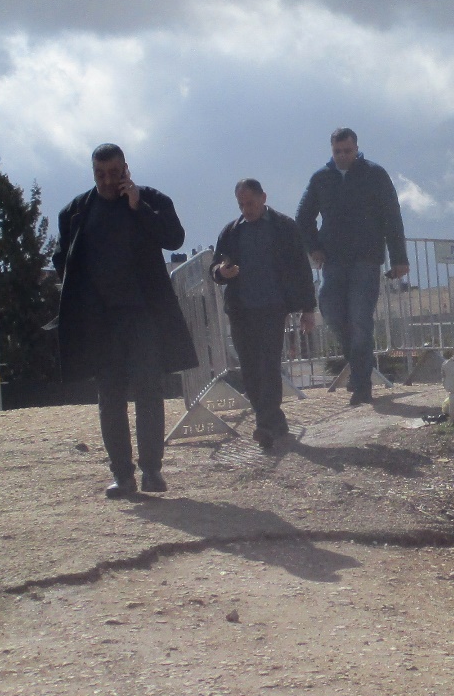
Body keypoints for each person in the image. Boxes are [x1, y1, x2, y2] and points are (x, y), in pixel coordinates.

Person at [53, 143, 198, 498]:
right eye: (100, 174)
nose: (106, 181)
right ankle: (123, 475)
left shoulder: (151, 201)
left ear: (126, 170)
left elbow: (174, 237)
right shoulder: (75, 212)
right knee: (110, 398)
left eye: (114, 173)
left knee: (150, 392)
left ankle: (152, 471)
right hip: (101, 324)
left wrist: (138, 206)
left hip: (144, 319)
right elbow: (63, 260)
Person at [295, 128, 409, 405]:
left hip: (366, 260)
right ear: (331, 150)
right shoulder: (321, 178)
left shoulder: (375, 174)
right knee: (332, 314)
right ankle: (360, 366)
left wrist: (399, 259)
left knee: (360, 319)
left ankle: (361, 383)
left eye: (348, 150)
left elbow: (392, 216)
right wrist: (314, 248)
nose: (343, 156)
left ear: (356, 148)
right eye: (337, 151)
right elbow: (303, 217)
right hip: (333, 261)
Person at [211, 179, 317, 450]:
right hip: (240, 309)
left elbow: (301, 269)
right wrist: (221, 272)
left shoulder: (284, 227)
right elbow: (215, 267)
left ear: (263, 198)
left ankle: (266, 425)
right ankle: (272, 422)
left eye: (251, 203)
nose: (246, 209)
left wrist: (308, 308)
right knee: (250, 368)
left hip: (272, 307)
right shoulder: (231, 232)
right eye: (242, 204)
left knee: (268, 365)